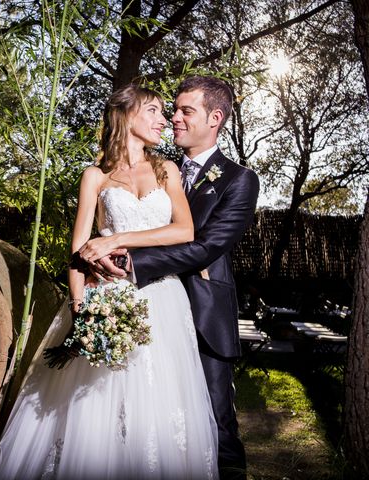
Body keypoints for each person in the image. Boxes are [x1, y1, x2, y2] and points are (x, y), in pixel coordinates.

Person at [0, 83, 219, 479]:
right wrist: (82, 311)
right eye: (153, 111)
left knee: (157, 409)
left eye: (164, 113)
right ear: (126, 115)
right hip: (106, 300)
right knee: (94, 408)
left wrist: (115, 238)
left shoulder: (167, 170)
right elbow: (79, 253)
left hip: (161, 301)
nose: (163, 120)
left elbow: (184, 231)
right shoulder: (95, 176)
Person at [83, 75, 260, 480]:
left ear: (214, 118)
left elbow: (205, 247)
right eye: (172, 111)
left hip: (201, 311)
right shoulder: (158, 168)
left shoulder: (238, 180)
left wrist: (131, 261)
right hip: (144, 307)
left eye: (186, 111)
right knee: (142, 411)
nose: (174, 119)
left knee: (215, 422)